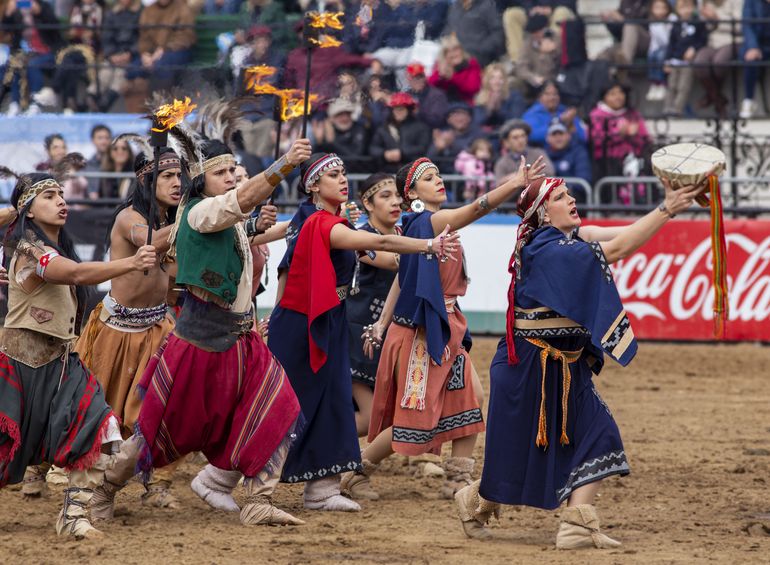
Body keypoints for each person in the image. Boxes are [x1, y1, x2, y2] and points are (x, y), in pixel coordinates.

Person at [454, 174, 704, 549]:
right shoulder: (549, 250)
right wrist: (666, 209)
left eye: (569, 192)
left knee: (599, 433)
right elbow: (616, 250)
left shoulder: (565, 239)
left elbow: (615, 235)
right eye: (560, 196)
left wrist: (666, 208)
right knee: (520, 454)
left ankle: (575, 525)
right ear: (543, 213)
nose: (571, 199)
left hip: (562, 363)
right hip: (529, 368)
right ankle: (478, 501)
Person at [340, 155, 545, 502]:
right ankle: (355, 472)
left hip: (446, 327)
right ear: (412, 193)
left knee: (470, 397)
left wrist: (382, 322)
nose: (438, 180)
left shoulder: (424, 226)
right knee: (413, 418)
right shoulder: (428, 222)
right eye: (428, 178)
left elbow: (403, 277)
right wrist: (513, 184)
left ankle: (457, 478)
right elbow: (476, 209)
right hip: (421, 332)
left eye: (438, 175)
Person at [136, 130, 313, 526]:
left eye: (234, 170)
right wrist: (285, 163)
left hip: (241, 340)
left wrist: (301, 221)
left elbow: (242, 223)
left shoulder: (223, 217)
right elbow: (241, 202)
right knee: (162, 429)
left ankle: (258, 500)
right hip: (199, 344)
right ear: (201, 179)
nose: (232, 177)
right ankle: (102, 487)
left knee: (281, 405)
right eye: (222, 172)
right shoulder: (199, 211)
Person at [268, 152, 460, 511]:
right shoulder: (329, 226)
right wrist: (427, 244)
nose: (344, 179)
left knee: (333, 405)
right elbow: (384, 252)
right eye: (334, 175)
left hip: (334, 322)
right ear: (313, 186)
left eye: (344, 173)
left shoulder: (336, 222)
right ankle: (224, 476)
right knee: (298, 405)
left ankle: (323, 488)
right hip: (326, 326)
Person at [0, 169, 156, 539]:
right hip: (20, 367)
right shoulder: (30, 251)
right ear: (29, 210)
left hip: (62, 366)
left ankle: (73, 516)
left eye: (61, 194)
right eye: (49, 196)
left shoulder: (49, 248)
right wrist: (132, 263)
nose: (61, 201)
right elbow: (76, 273)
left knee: (101, 428)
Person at [75, 144, 182, 520]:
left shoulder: (172, 220)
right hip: (115, 333)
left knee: (162, 409)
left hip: (158, 329)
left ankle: (157, 484)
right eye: (167, 176)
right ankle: (92, 491)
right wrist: (195, 215)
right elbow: (148, 240)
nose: (176, 182)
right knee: (105, 418)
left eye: (179, 175)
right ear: (147, 182)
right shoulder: (128, 218)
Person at [346, 173, 403, 444]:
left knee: (388, 414)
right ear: (368, 204)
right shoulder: (360, 237)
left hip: (388, 335)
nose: (396, 202)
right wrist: (426, 247)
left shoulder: (403, 235)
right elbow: (392, 261)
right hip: (358, 335)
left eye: (398, 196)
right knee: (371, 418)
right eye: (385, 196)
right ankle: (311, 441)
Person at [589, 82, 651, 196]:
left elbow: (646, 139)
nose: (618, 97)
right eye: (612, 94)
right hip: (607, 164)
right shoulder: (596, 115)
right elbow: (596, 140)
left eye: (620, 93)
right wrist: (618, 134)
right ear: (604, 97)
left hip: (633, 161)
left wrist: (634, 135)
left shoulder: (633, 114)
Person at [694, 0, 742, 116]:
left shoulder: (737, 2)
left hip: (733, 40)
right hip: (712, 42)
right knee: (700, 63)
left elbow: (740, 26)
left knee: (719, 63)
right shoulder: (705, 3)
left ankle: (711, 98)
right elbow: (705, 29)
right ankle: (718, 99)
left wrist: (717, 18)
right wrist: (707, 19)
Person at [94, 0, 142, 112]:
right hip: (113, 55)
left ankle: (105, 103)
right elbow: (106, 38)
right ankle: (91, 98)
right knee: (105, 72)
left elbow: (142, 38)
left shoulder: (141, 12)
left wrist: (129, 53)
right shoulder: (112, 14)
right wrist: (111, 54)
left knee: (120, 73)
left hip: (132, 55)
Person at [137, 0, 196, 91]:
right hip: (154, 52)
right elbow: (144, 38)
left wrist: (164, 49)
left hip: (177, 50)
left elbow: (185, 36)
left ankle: (165, 98)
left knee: (161, 66)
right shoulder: (148, 11)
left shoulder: (182, 9)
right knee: (134, 69)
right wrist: (145, 54)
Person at [662, 0, 707, 117]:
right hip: (675, 60)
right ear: (677, 10)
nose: (686, 11)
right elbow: (671, 44)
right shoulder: (676, 25)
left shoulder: (698, 23)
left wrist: (694, 49)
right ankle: (667, 108)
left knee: (683, 86)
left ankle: (678, 109)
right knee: (672, 85)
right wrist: (667, 61)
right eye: (682, 8)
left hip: (688, 62)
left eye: (688, 7)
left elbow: (702, 40)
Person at [369, 92, 432, 174]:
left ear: (408, 110)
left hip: (413, 172)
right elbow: (373, 148)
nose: (398, 112)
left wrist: (402, 153)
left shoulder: (421, 128)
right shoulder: (383, 128)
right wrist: (384, 154)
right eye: (395, 109)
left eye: (401, 109)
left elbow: (422, 148)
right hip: (387, 173)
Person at [502, 1, 576, 61]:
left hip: (555, 11)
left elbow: (569, 2)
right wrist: (531, 9)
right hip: (532, 12)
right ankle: (519, 61)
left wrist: (550, 9)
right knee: (511, 15)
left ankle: (553, 56)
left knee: (561, 12)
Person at [312, 98, 371, 172]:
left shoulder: (359, 129)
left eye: (347, 114)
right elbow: (315, 161)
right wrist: (319, 141)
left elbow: (355, 156)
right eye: (340, 115)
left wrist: (332, 142)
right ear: (331, 118)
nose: (345, 118)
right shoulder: (325, 130)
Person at [522, 81, 586, 147]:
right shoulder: (532, 114)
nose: (552, 98)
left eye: (555, 94)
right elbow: (532, 136)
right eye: (547, 94)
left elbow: (584, 138)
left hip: (572, 150)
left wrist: (571, 127)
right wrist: (560, 121)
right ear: (539, 97)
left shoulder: (566, 112)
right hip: (543, 151)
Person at [442, 0, 505, 67]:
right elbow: (447, 29)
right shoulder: (454, 8)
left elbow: (498, 34)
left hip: (480, 59)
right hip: (457, 59)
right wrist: (447, 40)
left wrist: (480, 49)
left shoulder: (486, 5)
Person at [494, 119, 554, 186]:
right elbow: (499, 185)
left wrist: (517, 177)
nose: (521, 140)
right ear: (506, 142)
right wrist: (525, 176)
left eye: (523, 136)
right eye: (515, 137)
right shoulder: (502, 163)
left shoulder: (538, 153)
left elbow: (549, 172)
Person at [428, 102, 482, 176]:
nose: (459, 118)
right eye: (455, 115)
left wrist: (451, 145)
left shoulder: (478, 135)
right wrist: (437, 149)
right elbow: (428, 161)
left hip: (469, 178)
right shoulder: (443, 135)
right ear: (448, 119)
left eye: (463, 114)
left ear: (469, 118)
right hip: (445, 178)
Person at [428, 34, 482, 105]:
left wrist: (452, 77)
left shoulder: (471, 64)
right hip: (443, 104)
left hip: (464, 105)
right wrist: (440, 76)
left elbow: (473, 88)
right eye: (448, 51)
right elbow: (430, 85)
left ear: (461, 49)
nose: (453, 54)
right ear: (444, 55)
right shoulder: (440, 65)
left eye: (455, 49)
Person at [514, 14, 561, 96]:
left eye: (539, 31)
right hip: (533, 81)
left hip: (553, 79)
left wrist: (553, 51)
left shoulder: (557, 40)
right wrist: (532, 77)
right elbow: (521, 67)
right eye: (534, 32)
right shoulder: (527, 44)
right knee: (515, 84)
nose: (537, 35)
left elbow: (562, 64)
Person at [473, 62, 526, 134]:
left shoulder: (515, 96)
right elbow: (477, 122)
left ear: (505, 80)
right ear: (487, 80)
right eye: (492, 78)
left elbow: (515, 121)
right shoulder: (480, 98)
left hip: (507, 134)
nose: (497, 82)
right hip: (486, 135)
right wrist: (489, 109)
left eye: (500, 78)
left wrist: (499, 108)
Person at [544, 121, 591, 201]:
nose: (558, 137)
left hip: (574, 198)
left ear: (568, 136)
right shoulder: (542, 154)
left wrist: (559, 189)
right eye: (554, 134)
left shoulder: (579, 152)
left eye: (561, 133)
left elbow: (583, 180)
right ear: (547, 138)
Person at [738, 0, 770, 119]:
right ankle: (749, 100)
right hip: (757, 44)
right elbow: (747, 26)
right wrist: (753, 47)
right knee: (751, 59)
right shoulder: (751, 1)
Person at [645, 0, 676, 102]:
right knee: (651, 56)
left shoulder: (672, 19)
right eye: (657, 8)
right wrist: (651, 51)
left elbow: (667, 40)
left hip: (671, 47)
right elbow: (654, 40)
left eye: (663, 8)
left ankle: (662, 83)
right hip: (658, 47)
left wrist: (662, 24)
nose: (661, 11)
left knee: (660, 55)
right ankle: (654, 83)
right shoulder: (652, 22)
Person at [406, 62, 449, 129]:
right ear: (408, 79)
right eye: (414, 77)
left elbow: (438, 121)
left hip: (430, 131)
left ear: (425, 77)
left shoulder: (437, 95)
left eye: (421, 77)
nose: (418, 80)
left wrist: (419, 113)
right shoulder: (406, 95)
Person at [454, 137, 495, 202]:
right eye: (482, 150)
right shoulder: (470, 162)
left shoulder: (489, 163)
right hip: (471, 189)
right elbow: (470, 175)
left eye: (487, 151)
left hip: (483, 191)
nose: (485, 153)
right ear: (474, 151)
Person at [84, 125, 112, 197]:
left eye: (107, 138)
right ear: (93, 140)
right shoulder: (88, 165)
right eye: (100, 138)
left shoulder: (118, 163)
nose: (104, 141)